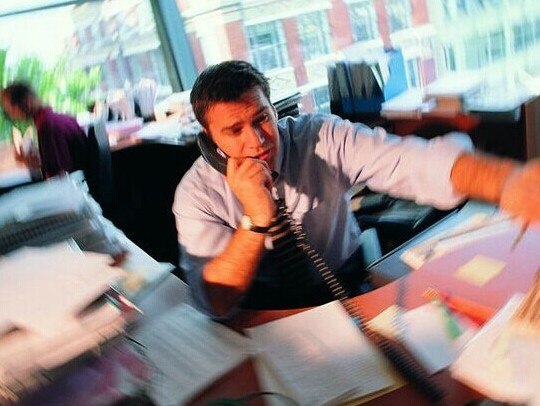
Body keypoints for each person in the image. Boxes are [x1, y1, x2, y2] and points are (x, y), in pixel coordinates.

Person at [173, 60, 540, 319]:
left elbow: (414, 161)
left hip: (346, 288)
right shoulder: (196, 194)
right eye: (234, 131)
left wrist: (506, 181)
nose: (256, 141)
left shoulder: (319, 137)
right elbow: (214, 300)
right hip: (266, 316)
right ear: (209, 137)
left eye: (261, 119)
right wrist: (255, 220)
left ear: (274, 109)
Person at [0, 81, 88, 179]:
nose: (12, 115)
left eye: (10, 109)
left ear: (26, 101)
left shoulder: (47, 126)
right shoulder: (54, 118)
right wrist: (39, 161)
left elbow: (60, 178)